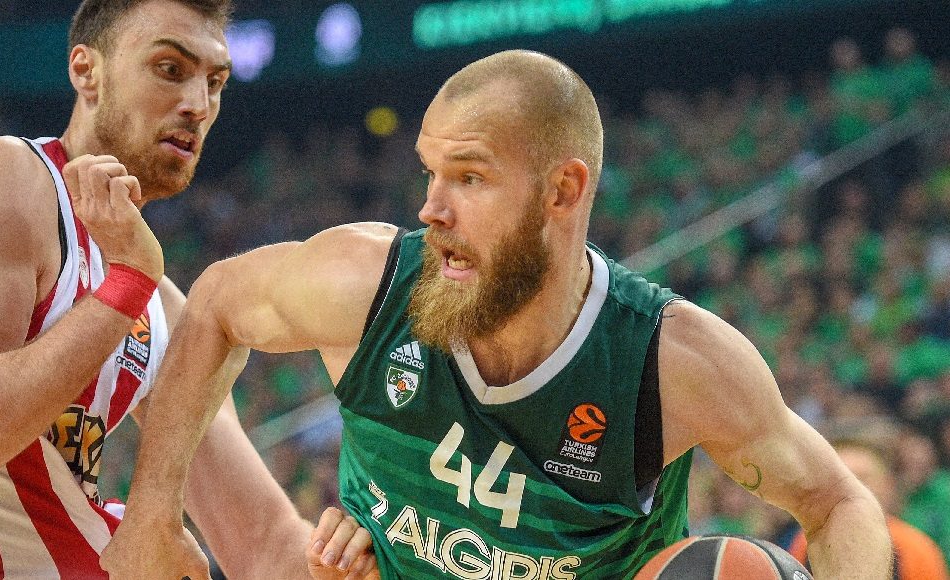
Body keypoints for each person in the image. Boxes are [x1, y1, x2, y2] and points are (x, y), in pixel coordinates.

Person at [102, 50, 893, 578]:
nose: (432, 208)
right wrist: (150, 516)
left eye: (470, 177)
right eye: (430, 172)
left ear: (562, 191)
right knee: (171, 315)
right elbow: (216, 302)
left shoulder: (669, 363)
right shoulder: (369, 285)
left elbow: (838, 502)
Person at [0, 0, 374, 577]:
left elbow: (261, 542)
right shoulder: (1, 179)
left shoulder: (162, 306)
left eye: (215, 82)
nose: (198, 105)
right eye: (171, 69)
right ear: (87, 71)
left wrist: (344, 563)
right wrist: (124, 286)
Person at [787, 437, 949, 580]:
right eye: (838, 480)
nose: (849, 490)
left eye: (862, 478)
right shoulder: (805, 543)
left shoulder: (913, 547)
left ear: (888, 484)